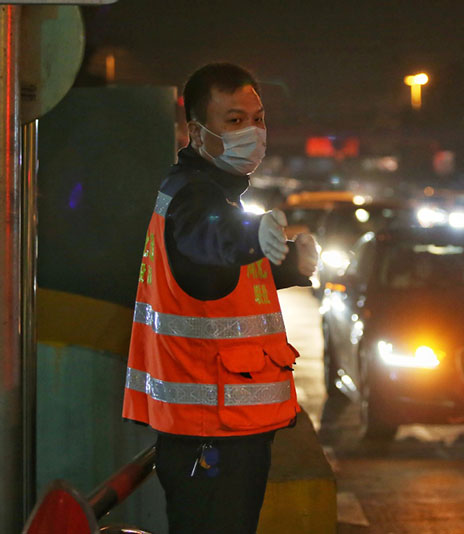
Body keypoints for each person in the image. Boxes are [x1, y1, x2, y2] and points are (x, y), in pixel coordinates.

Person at [121, 63, 318, 534]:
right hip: (211, 437)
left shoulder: (209, 193)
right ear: (197, 131)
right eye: (234, 120)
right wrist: (252, 234)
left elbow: (214, 276)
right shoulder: (194, 198)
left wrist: (287, 263)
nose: (252, 131)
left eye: (258, 118)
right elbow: (209, 241)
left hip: (221, 430)